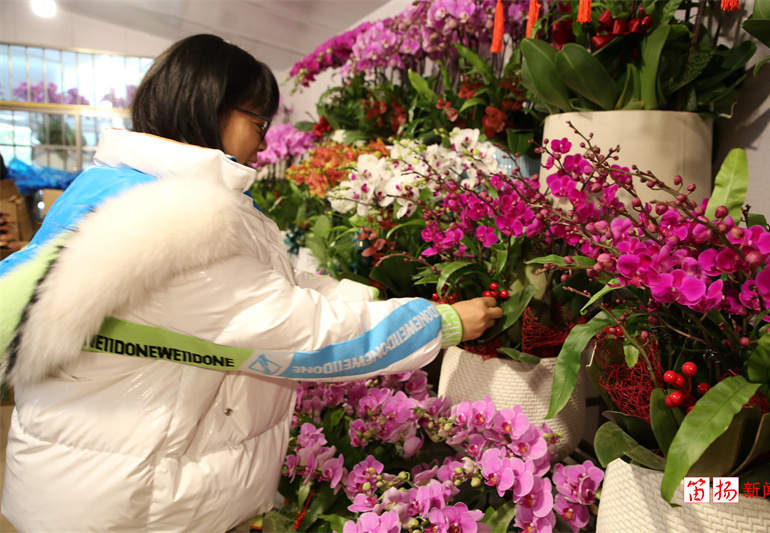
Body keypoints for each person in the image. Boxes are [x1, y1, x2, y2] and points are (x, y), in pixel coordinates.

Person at [0, 34, 502, 532]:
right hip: (127, 504)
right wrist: (440, 322)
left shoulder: (121, 186)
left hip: (100, 478)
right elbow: (298, 332)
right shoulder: (169, 219)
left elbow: (267, 283)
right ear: (208, 108)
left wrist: (372, 296)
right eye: (258, 122)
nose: (263, 142)